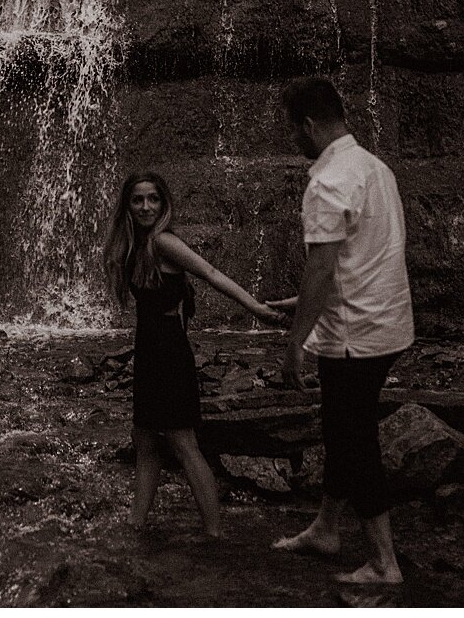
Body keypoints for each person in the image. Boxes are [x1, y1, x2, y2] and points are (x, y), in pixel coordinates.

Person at [268, 77, 415, 586]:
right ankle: (327, 528)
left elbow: (322, 269)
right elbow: (364, 253)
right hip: (386, 324)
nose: (293, 142)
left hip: (353, 336)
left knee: (354, 441)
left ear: (308, 125)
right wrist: (305, 302)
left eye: (292, 131)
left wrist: (293, 345)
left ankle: (383, 564)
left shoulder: (327, 181)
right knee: (340, 428)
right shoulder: (375, 168)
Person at [104, 170, 285, 539]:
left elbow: (212, 273)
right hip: (149, 352)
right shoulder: (133, 246)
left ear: (164, 202)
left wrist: (257, 310)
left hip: (169, 354)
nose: (145, 206)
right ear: (127, 205)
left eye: (153, 198)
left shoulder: (164, 242)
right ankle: (136, 524)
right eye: (137, 199)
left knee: (183, 443)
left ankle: (215, 533)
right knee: (146, 440)